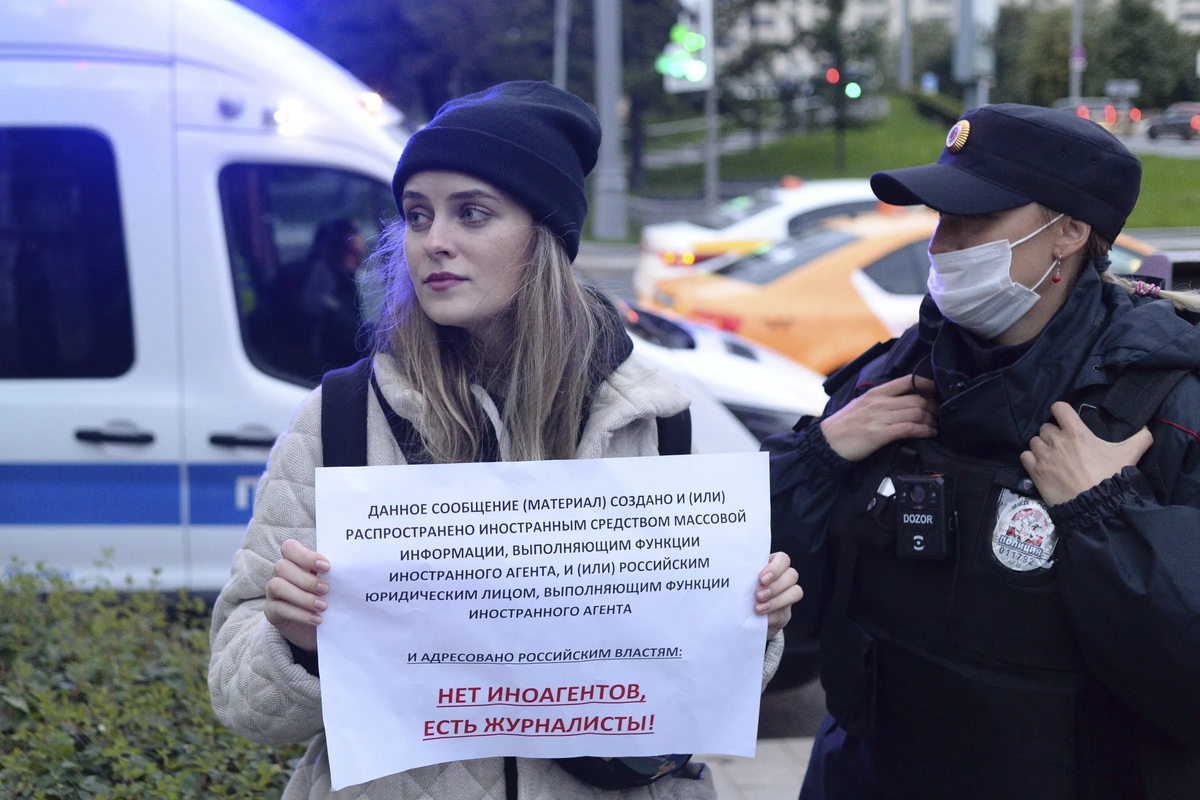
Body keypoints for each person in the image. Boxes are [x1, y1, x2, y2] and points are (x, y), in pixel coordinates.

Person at [208, 81, 802, 800]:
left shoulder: (653, 412)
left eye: (472, 213)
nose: (435, 241)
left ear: (543, 236)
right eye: (418, 215)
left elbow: (690, 684)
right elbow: (240, 695)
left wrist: (751, 621)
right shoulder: (340, 418)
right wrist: (293, 640)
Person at [766, 103, 1200, 799]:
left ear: (1070, 232)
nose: (942, 247)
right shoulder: (889, 379)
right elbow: (760, 596)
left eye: (975, 221)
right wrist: (821, 455)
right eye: (941, 220)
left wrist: (1106, 515)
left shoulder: (1166, 407)